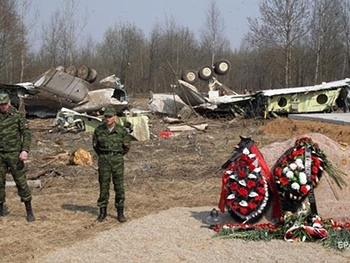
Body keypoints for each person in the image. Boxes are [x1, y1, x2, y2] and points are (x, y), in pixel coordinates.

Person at [92, 105, 132, 223]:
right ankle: (102, 212)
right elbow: (95, 146)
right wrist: (104, 155)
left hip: (117, 160)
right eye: (106, 117)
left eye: (110, 116)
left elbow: (126, 147)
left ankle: (120, 212)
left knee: (119, 186)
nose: (108, 119)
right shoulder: (99, 130)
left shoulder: (121, 131)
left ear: (115, 117)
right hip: (104, 159)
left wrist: (117, 155)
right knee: (103, 186)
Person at [0, 91, 35, 222]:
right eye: (0, 105)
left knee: (21, 182)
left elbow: (26, 133)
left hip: (15, 154)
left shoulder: (17, 116)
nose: (3, 107)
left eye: (4, 104)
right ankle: (0, 209)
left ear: (9, 103)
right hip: (0, 155)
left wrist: (25, 150)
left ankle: (29, 210)